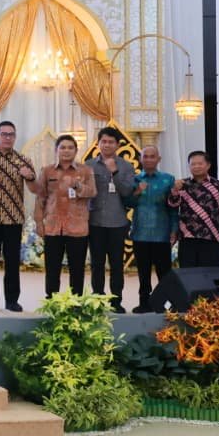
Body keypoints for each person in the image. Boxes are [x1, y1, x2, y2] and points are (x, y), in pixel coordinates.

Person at [0, 121, 36, 312]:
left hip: (13, 218)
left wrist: (30, 177)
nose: (7, 138)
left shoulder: (24, 160)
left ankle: (12, 300)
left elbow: (35, 189)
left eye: (11, 134)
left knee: (12, 261)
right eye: (4, 134)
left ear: (15, 137)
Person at [33, 134, 97, 297]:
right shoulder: (47, 171)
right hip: (54, 227)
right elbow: (41, 197)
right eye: (63, 147)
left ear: (76, 150)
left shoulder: (85, 170)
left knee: (77, 269)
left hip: (77, 227)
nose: (66, 151)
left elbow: (92, 192)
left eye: (70, 148)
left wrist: (77, 185)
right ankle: (52, 300)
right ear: (56, 150)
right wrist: (39, 222)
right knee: (52, 268)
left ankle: (76, 303)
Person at [88, 126, 136, 313]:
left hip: (118, 222)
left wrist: (115, 172)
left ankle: (116, 301)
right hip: (95, 221)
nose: (107, 145)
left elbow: (127, 192)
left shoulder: (126, 166)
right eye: (103, 141)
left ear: (117, 144)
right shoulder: (89, 165)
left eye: (111, 142)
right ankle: (98, 300)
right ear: (98, 143)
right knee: (97, 264)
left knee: (117, 264)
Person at [124, 145, 177, 313]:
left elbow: (173, 207)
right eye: (145, 156)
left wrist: (174, 229)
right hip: (140, 233)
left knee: (165, 273)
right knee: (143, 272)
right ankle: (144, 303)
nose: (148, 159)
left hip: (161, 232)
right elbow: (128, 204)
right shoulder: (135, 179)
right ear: (140, 159)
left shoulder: (168, 179)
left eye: (152, 156)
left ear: (158, 159)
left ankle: (167, 304)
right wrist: (137, 192)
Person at [167, 150, 219, 268]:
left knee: (211, 275)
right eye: (193, 164)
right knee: (188, 275)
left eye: (200, 163)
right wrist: (174, 190)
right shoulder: (182, 184)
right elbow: (172, 205)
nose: (196, 166)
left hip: (212, 237)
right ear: (189, 166)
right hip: (187, 237)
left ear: (208, 165)